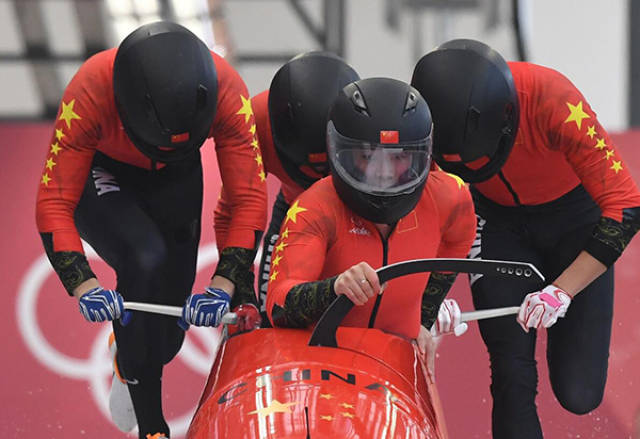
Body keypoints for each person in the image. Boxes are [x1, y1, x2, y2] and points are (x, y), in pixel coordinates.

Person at [35, 22, 267, 439]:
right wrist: (82, 283)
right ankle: (152, 427)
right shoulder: (90, 89)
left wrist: (223, 283)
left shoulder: (228, 91)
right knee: (145, 256)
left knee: (165, 344)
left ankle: (130, 361)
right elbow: (54, 202)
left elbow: (248, 200)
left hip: (177, 175)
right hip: (104, 171)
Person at [411, 39, 640, 438]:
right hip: (496, 223)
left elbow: (626, 206)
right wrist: (427, 299)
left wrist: (562, 291)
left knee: (579, 392)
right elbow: (422, 207)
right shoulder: (426, 121)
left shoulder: (553, 100)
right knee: (509, 366)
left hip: (575, 223)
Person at [265, 77, 476, 346]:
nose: (383, 173)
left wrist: (425, 315)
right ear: (340, 153)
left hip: (399, 363)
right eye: (367, 155)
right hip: (323, 364)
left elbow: (458, 242)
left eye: (398, 156)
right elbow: (278, 307)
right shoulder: (314, 207)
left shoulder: (451, 197)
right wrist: (334, 289)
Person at [214, 51, 360, 326]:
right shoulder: (253, 121)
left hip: (354, 216)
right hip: (293, 211)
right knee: (274, 314)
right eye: (306, 165)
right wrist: (242, 296)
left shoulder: (370, 122)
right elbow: (232, 213)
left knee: (356, 310)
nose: (315, 173)